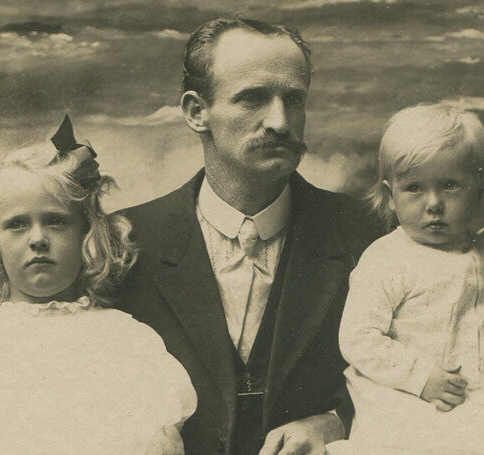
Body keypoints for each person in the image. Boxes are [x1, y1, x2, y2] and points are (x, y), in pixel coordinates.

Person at [117, 18, 380, 455]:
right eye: (252, 98)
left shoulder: (368, 233)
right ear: (196, 112)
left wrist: (339, 422)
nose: (280, 121)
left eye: (293, 99)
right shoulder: (124, 243)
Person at [0, 116, 196, 454]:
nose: (37, 239)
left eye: (55, 221)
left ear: (86, 234)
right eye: (17, 225)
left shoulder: (127, 340)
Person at [326, 104, 484, 455]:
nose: (434, 203)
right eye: (414, 188)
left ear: (478, 188)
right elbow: (359, 337)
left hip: (479, 382)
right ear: (391, 196)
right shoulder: (386, 259)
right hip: (410, 390)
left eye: (450, 186)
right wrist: (421, 376)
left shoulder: (479, 250)